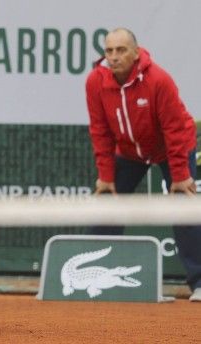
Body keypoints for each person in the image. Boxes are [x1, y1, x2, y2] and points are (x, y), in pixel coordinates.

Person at [85, 27, 201, 301]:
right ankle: (94, 275)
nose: (114, 56)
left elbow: (174, 130)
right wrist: (106, 175)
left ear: (136, 53)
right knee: (106, 203)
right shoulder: (94, 82)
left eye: (121, 50)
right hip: (128, 151)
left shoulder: (159, 80)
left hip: (171, 148)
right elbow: (99, 129)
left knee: (184, 206)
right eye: (109, 50)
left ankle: (199, 282)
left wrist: (181, 175)